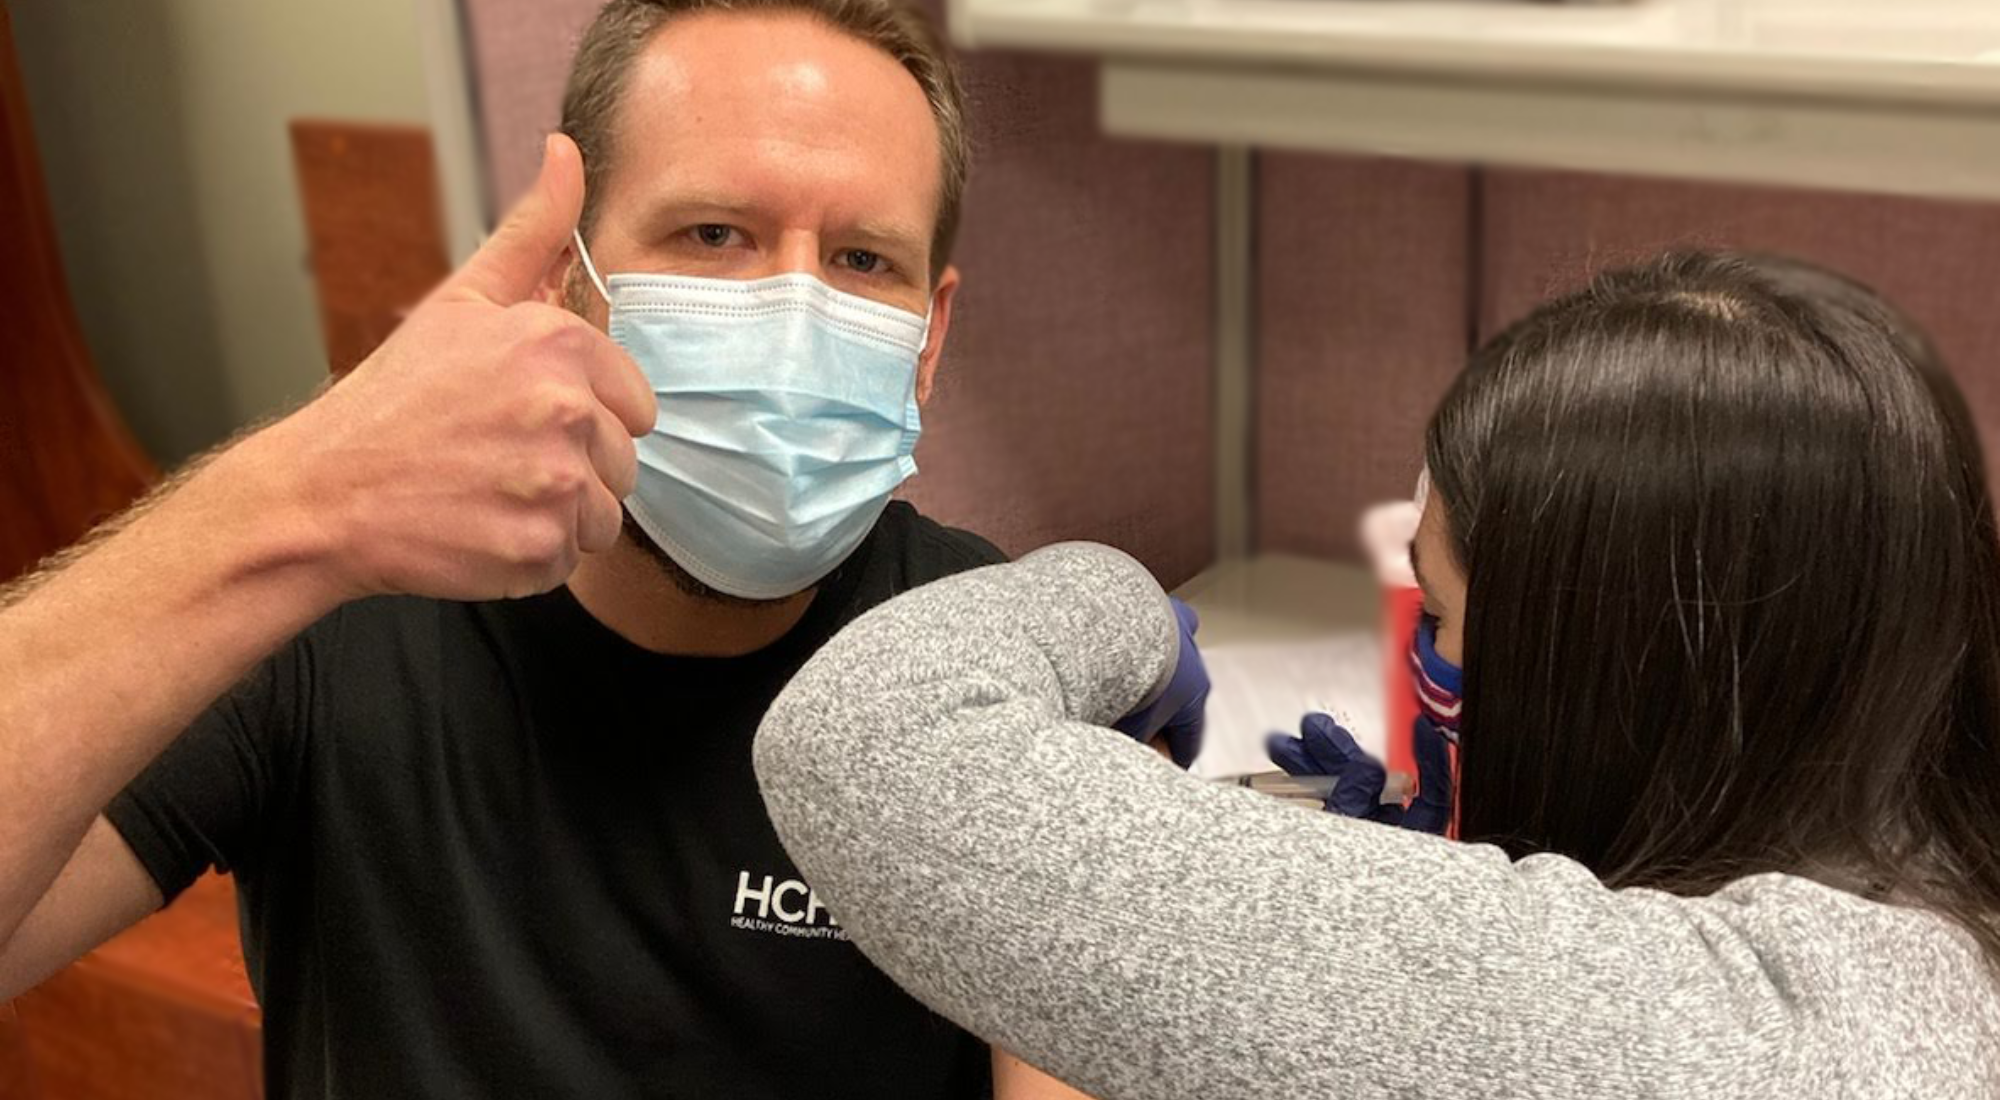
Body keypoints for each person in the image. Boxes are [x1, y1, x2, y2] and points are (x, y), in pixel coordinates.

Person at [0, 1, 1202, 1096]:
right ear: (569, 284)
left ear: (927, 337)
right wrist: (289, 504)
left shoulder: (975, 665)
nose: (791, 327)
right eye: (713, 233)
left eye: (858, 262)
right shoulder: (333, 614)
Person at [754, 252, 2000, 1098]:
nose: (1428, 663)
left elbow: (866, 743)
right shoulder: (1933, 906)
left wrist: (1123, 599)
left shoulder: (1745, 1036)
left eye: (1446, 617)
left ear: (1628, 686)